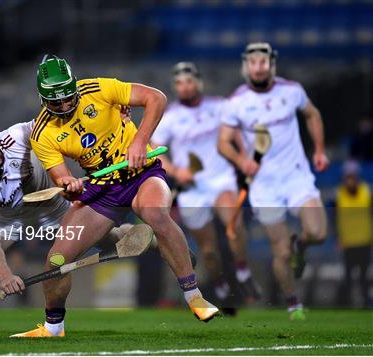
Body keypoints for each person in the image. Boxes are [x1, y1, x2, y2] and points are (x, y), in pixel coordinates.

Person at [12, 55, 219, 338]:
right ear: (42, 99)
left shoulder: (98, 89)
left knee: (155, 214)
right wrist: (69, 183)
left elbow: (156, 98)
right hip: (102, 188)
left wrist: (139, 141)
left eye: (67, 98)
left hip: (142, 173)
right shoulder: (42, 132)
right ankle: (53, 327)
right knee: (57, 261)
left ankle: (194, 297)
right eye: (55, 102)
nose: (63, 106)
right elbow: (59, 176)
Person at [0, 120, 148, 336]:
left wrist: (113, 120)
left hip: (53, 210)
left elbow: (56, 124)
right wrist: (4, 276)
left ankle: (139, 235)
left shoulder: (16, 137)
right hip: (4, 222)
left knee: (111, 241)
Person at [217, 43, 329, 320]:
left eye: (263, 62)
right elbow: (223, 143)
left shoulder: (292, 91)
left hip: (296, 176)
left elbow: (312, 114)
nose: (258, 67)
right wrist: (242, 162)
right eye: (253, 62)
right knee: (279, 250)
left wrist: (319, 149)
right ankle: (294, 304)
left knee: (318, 233)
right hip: (264, 186)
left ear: (271, 64)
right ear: (246, 66)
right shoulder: (237, 102)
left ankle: (300, 245)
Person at [151, 62, 261, 311]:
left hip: (221, 180)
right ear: (175, 87)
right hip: (192, 189)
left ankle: (242, 270)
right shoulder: (171, 118)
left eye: (189, 81)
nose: (186, 87)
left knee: (234, 225)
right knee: (209, 251)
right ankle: (220, 283)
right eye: (180, 83)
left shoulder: (220, 106)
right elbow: (154, 150)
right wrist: (177, 171)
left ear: (199, 83)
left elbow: (239, 135)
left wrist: (245, 159)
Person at [335, 160, 372, 308]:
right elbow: (335, 218)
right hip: (348, 243)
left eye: (352, 176)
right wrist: (338, 238)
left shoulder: (366, 192)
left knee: (364, 276)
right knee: (348, 277)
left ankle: (365, 305)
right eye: (347, 177)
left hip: (365, 241)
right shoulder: (339, 195)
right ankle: (347, 305)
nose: (350, 180)